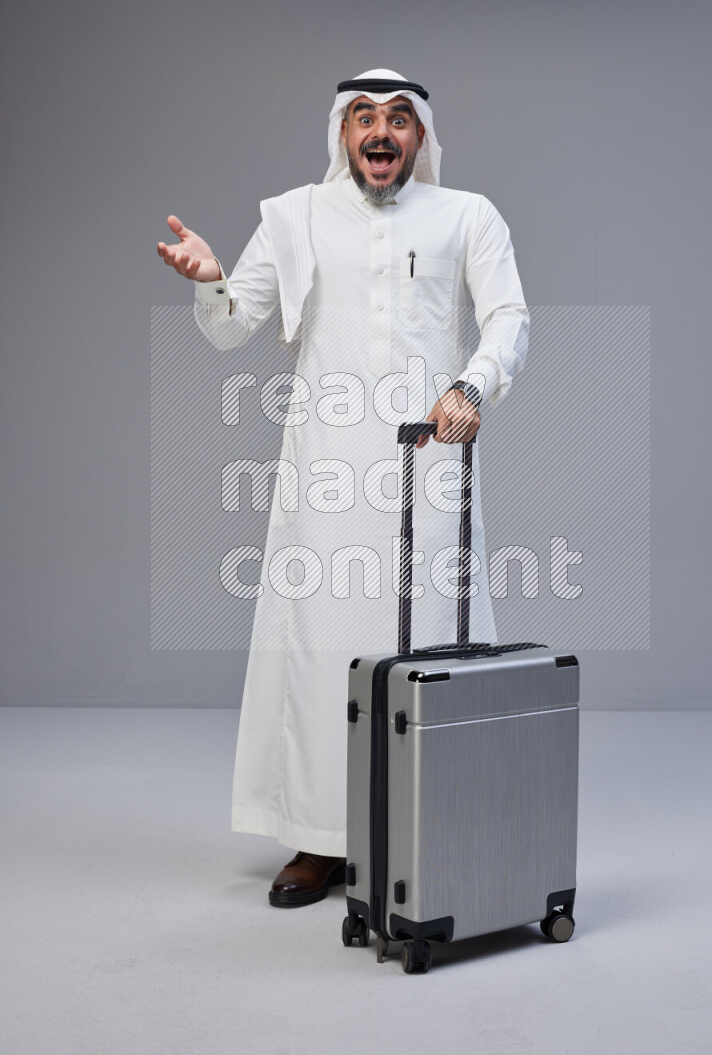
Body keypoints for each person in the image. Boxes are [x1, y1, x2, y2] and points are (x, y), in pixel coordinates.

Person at [156, 69, 530, 907]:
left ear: (422, 136)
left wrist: (472, 386)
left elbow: (508, 316)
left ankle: (434, 827)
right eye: (364, 115)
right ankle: (320, 840)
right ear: (341, 132)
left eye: (399, 118)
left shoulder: (468, 215)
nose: (382, 131)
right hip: (323, 475)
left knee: (432, 644)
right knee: (321, 652)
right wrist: (210, 276)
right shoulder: (294, 217)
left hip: (427, 466)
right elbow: (230, 325)